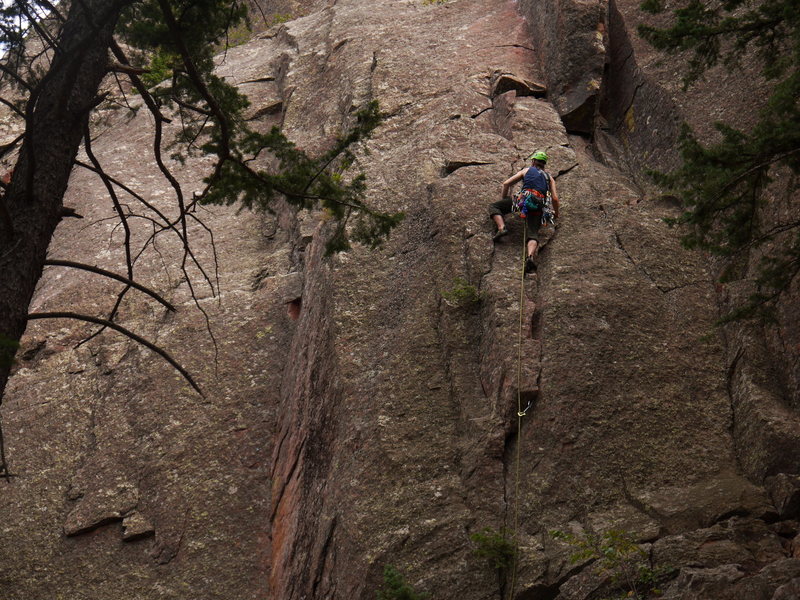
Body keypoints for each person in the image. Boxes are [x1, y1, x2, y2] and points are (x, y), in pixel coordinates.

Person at [489, 150, 560, 273]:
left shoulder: (526, 170)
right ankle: (530, 256)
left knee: (494, 207)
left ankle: (501, 228)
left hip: (523, 200)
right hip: (539, 206)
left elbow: (506, 184)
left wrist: (505, 199)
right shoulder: (549, 178)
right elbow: (554, 198)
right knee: (533, 232)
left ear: (533, 161)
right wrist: (556, 213)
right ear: (544, 164)